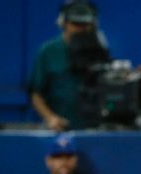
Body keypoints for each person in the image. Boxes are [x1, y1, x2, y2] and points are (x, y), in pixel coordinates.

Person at [29, 0, 108, 130]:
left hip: (93, 129)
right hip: (60, 129)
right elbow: (36, 93)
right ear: (64, 23)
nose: (81, 29)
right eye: (76, 24)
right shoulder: (48, 51)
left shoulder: (100, 51)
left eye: (85, 24)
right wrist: (51, 118)